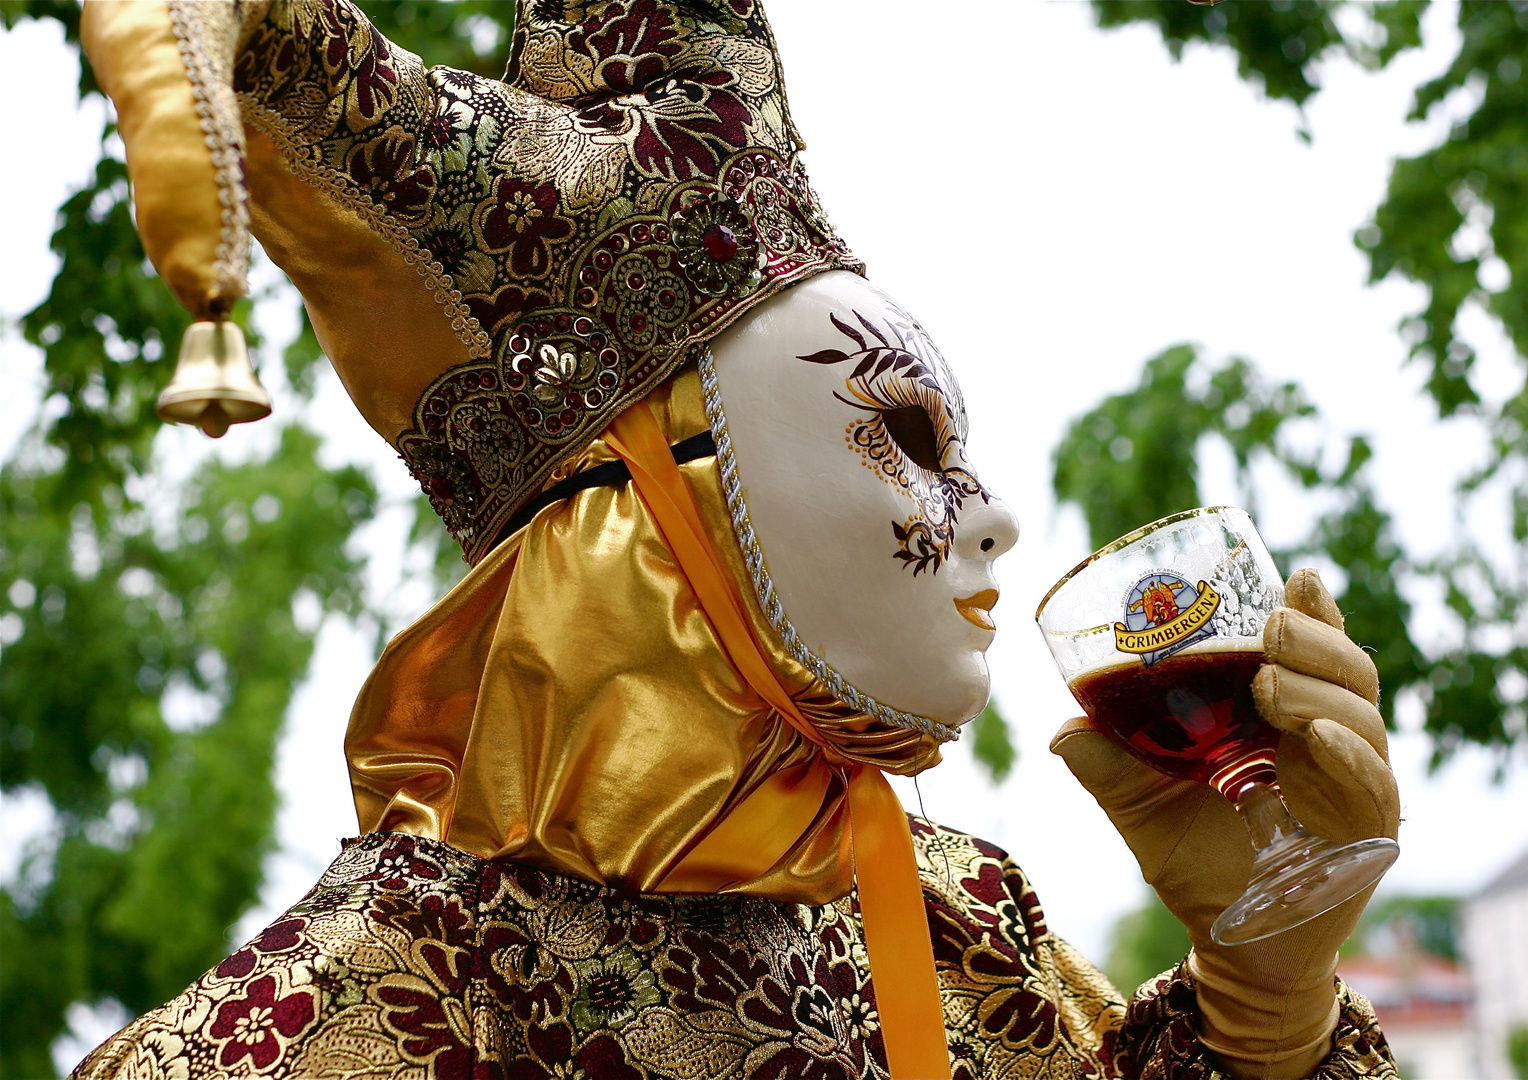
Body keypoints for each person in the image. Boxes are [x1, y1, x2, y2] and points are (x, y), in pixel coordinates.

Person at [73, 2, 1401, 1077]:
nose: (993, 516)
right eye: (904, 435)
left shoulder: (967, 929)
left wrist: (1264, 999)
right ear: (646, 509)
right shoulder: (370, 1007)